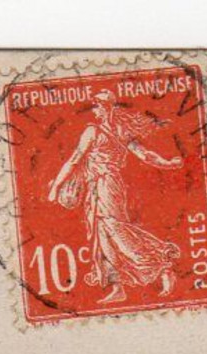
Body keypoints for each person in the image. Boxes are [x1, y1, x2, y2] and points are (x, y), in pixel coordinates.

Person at [45, 90, 184, 304]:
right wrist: (166, 163)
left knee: (115, 229)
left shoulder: (97, 131)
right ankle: (116, 286)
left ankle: (160, 264)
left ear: (106, 107)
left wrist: (56, 186)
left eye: (97, 106)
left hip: (107, 185)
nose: (95, 110)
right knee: (102, 236)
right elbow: (144, 154)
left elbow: (74, 160)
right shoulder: (118, 131)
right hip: (98, 186)